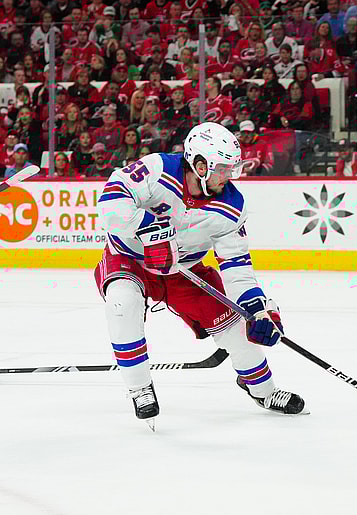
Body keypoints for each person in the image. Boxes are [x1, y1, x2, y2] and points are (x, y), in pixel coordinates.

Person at [94, 122, 307, 429]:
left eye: (231, 168)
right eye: (222, 168)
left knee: (236, 328)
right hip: (129, 258)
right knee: (121, 304)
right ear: (199, 163)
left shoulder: (232, 206)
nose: (228, 176)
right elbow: (111, 200)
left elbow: (236, 266)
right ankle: (139, 387)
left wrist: (258, 310)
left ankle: (264, 390)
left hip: (184, 270)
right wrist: (151, 231)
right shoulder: (157, 169)